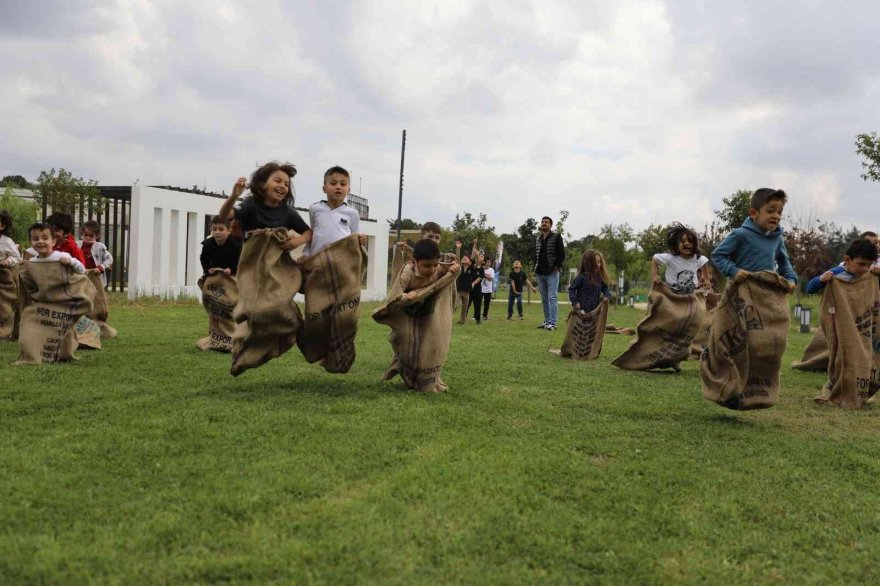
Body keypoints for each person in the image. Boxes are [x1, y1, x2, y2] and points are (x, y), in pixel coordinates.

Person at [710, 188, 798, 290]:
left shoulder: (777, 238)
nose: (776, 216)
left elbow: (784, 264)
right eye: (770, 211)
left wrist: (791, 279)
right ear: (753, 213)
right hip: (740, 292)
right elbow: (717, 255)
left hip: (766, 292)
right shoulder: (740, 234)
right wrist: (733, 271)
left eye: (779, 212)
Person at [217, 162, 312, 251]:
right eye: (278, 181)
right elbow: (224, 216)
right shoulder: (250, 204)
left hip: (276, 263)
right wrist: (234, 196)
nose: (283, 186)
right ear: (262, 184)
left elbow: (308, 232)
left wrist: (297, 242)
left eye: (286, 185)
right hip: (250, 261)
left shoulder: (288, 212)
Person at [303, 166, 368, 259]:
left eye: (343, 184)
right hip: (317, 262)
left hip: (342, 264)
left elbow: (355, 239)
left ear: (348, 190)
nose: (338, 187)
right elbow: (312, 236)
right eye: (333, 183)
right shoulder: (314, 209)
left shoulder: (353, 213)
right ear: (324, 188)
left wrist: (361, 241)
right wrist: (306, 253)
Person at [388, 239, 459, 300]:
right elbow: (395, 295)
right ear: (414, 262)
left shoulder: (438, 269)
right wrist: (406, 295)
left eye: (435, 265)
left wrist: (452, 268)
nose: (432, 270)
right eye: (427, 266)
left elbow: (446, 272)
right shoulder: (407, 272)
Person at [651, 223, 710, 294]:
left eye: (690, 241)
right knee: (657, 298)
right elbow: (655, 259)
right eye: (683, 241)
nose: (687, 243)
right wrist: (655, 275)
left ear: (694, 244)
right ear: (676, 245)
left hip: (692, 293)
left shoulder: (698, 258)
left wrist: (707, 279)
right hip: (671, 293)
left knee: (702, 302)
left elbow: (704, 263)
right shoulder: (670, 258)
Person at [805, 238, 879, 294]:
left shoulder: (870, 275)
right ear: (847, 260)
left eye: (869, 264)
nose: (866, 268)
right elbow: (809, 289)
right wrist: (821, 279)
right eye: (861, 264)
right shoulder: (835, 274)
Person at [534, 216, 566, 331]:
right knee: (544, 299)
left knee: (552, 297)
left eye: (546, 222)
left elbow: (562, 254)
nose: (543, 223)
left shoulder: (556, 236)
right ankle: (547, 322)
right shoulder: (538, 239)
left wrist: (556, 266)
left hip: (552, 272)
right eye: (542, 222)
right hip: (540, 273)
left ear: (551, 225)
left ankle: (553, 323)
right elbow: (536, 255)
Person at [568, 250, 612, 314]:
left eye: (599, 262)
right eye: (595, 262)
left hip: (595, 312)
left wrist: (607, 296)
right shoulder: (581, 277)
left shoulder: (599, 278)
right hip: (581, 312)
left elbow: (605, 288)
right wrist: (575, 302)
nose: (598, 265)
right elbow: (571, 289)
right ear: (588, 263)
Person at [77, 220, 114, 287]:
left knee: (96, 295)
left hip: (95, 275)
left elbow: (109, 259)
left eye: (91, 236)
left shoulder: (100, 246)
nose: (88, 238)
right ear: (82, 233)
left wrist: (101, 267)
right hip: (80, 275)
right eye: (86, 235)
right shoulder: (77, 245)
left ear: (96, 236)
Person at [455, 255, 475, 324]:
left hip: (466, 292)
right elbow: (457, 259)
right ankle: (448, 318)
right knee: (455, 305)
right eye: (463, 258)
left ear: (470, 262)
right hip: (458, 291)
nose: (464, 258)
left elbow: (473, 257)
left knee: (465, 308)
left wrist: (475, 245)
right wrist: (458, 248)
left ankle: (462, 320)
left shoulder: (471, 268)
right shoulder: (459, 268)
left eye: (466, 258)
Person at [469, 253, 486, 324]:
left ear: (483, 262)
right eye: (480, 256)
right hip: (469, 289)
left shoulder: (482, 269)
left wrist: (473, 284)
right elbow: (473, 255)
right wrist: (475, 244)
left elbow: (480, 278)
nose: (480, 257)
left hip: (477, 290)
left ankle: (478, 320)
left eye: (482, 257)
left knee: (477, 305)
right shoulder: (472, 266)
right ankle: (462, 319)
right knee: (467, 305)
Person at [480, 256, 495, 320]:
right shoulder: (480, 269)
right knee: (478, 303)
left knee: (487, 304)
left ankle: (485, 316)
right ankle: (475, 315)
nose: (488, 263)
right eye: (487, 262)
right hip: (480, 289)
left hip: (488, 290)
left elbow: (491, 278)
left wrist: (484, 275)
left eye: (489, 262)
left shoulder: (491, 270)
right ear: (484, 262)